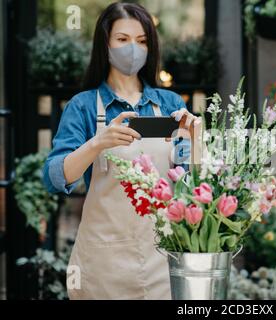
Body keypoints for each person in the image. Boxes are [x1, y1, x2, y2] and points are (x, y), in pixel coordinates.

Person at [42, 2, 200, 299]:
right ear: (105, 43)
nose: (133, 49)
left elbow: (187, 183)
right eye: (123, 39)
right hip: (104, 262)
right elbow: (55, 179)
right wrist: (98, 142)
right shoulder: (84, 106)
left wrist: (192, 142)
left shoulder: (169, 104)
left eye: (141, 41)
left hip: (163, 256)